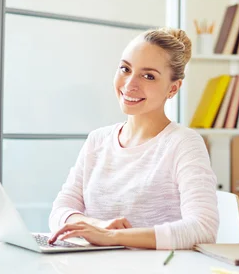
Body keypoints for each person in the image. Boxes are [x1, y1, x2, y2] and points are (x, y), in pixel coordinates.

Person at [48, 28, 219, 249]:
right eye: (125, 69)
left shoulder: (183, 143)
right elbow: (59, 212)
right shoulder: (97, 140)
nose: (130, 84)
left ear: (173, 88)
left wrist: (112, 237)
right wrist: (98, 226)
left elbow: (203, 229)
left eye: (148, 76)